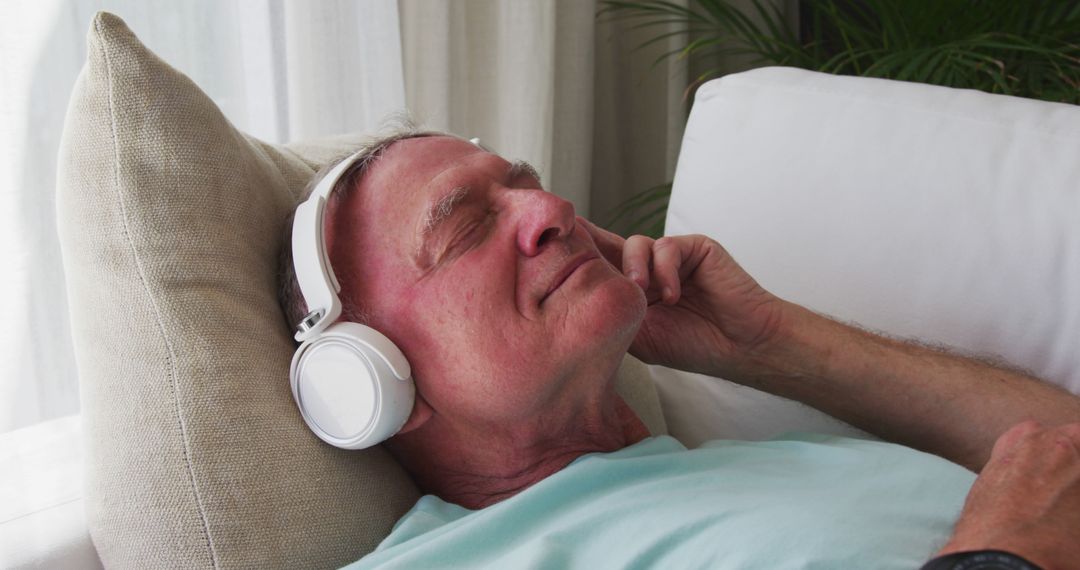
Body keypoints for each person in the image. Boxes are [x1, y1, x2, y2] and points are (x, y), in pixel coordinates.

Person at [279, 129, 1080, 569]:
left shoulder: (787, 460)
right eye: (465, 227)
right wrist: (1007, 560)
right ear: (363, 378)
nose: (551, 207)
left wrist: (771, 346)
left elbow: (1061, 459)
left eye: (522, 184)